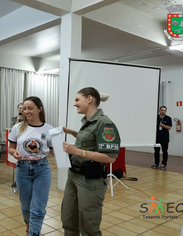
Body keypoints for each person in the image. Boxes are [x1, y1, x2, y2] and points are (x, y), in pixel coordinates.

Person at [61, 87, 121, 236]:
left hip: (90, 181)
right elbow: (88, 142)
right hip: (74, 176)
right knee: (68, 220)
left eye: (77, 100)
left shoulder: (105, 123)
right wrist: (72, 132)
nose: (75, 104)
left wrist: (76, 151)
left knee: (89, 226)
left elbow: (110, 157)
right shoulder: (88, 122)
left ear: (89, 99)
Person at [8, 96, 54, 236]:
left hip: (42, 169)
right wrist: (14, 152)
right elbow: (11, 148)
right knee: (26, 206)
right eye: (25, 108)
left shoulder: (49, 129)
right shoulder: (17, 128)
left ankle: (34, 233)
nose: (26, 111)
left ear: (40, 109)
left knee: (38, 208)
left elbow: (52, 150)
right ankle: (28, 229)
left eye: (30, 108)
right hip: (22, 169)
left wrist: (61, 148)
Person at [152, 105, 172, 170]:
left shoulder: (168, 118)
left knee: (164, 151)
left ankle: (164, 164)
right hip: (157, 137)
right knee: (156, 151)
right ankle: (156, 163)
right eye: (162, 110)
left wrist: (162, 125)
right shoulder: (156, 117)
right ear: (159, 111)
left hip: (165, 138)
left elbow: (169, 127)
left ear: (166, 111)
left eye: (164, 110)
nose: (163, 111)